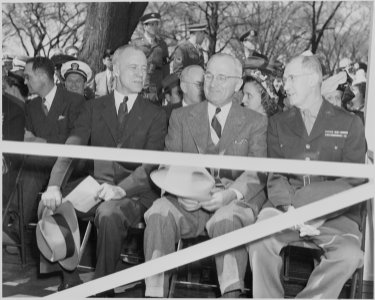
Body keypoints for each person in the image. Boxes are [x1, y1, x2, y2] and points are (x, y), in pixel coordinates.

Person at [40, 45, 167, 291]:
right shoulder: (94, 107)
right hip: (96, 186)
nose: (141, 74)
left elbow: (150, 165)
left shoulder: (156, 114)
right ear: (116, 70)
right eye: (134, 67)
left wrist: (121, 190)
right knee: (50, 204)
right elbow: (72, 146)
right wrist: (54, 185)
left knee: (108, 213)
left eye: (144, 68)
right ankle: (70, 276)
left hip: (136, 193)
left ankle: (103, 287)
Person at [144, 53, 267, 298]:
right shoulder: (180, 117)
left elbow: (257, 171)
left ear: (238, 84)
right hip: (187, 203)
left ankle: (231, 293)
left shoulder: (255, 122)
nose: (213, 83)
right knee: (158, 212)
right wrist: (181, 192)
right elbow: (168, 165)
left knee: (227, 220)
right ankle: (154, 293)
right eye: (209, 75)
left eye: (222, 77)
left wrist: (229, 195)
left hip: (231, 202)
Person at [248, 53, 367, 298]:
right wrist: (290, 208)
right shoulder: (279, 122)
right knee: (259, 239)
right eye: (284, 80)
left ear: (313, 79)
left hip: (336, 214)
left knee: (350, 254)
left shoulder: (349, 123)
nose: (285, 86)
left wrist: (316, 209)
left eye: (291, 78)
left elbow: (353, 182)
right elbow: (276, 175)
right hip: (286, 209)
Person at [3, 57, 85, 245]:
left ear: (41, 76)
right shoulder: (30, 107)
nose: (24, 81)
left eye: (27, 76)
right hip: (40, 165)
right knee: (19, 163)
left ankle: (12, 228)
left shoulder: (76, 101)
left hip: (70, 165)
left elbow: (77, 139)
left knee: (34, 163)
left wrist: (41, 142)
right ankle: (9, 222)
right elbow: (27, 138)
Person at [131, 12, 170, 105]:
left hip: (157, 86)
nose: (155, 27)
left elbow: (166, 67)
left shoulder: (162, 44)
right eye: (152, 24)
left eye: (156, 24)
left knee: (155, 113)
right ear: (145, 26)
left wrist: (167, 87)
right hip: (140, 85)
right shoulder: (136, 44)